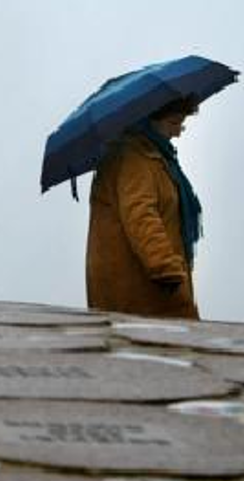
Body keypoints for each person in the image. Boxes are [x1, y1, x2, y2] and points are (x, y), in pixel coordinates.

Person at [86, 96, 204, 318]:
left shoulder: (154, 157)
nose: (178, 132)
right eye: (174, 122)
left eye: (181, 123)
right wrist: (168, 270)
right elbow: (141, 216)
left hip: (153, 289)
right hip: (148, 292)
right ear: (150, 119)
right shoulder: (133, 158)